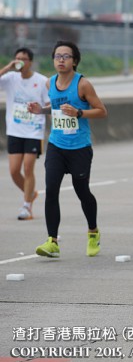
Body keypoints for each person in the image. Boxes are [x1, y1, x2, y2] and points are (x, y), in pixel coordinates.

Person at [28, 40, 108, 258]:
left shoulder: (83, 84)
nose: (61, 60)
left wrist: (79, 113)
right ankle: (52, 242)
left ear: (74, 61)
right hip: (56, 145)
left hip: (79, 147)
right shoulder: (50, 83)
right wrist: (40, 110)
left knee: (82, 191)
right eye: (57, 56)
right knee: (51, 189)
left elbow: (101, 111)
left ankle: (93, 232)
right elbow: (56, 108)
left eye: (66, 56)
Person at [0, 47, 48, 220]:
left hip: (34, 131)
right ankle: (31, 193)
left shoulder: (42, 81)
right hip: (14, 130)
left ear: (31, 62)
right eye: (17, 58)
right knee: (14, 171)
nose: (20, 61)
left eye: (23, 59)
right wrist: (8, 67)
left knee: (28, 168)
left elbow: (48, 105)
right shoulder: (10, 78)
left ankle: (26, 206)